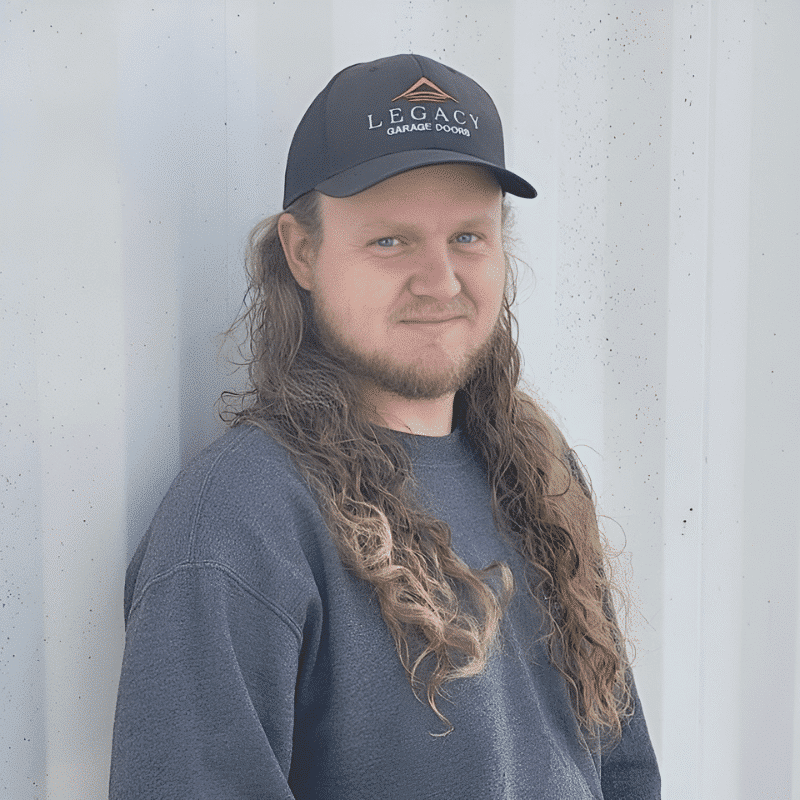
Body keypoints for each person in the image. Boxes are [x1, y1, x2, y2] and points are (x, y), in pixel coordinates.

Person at [109, 54, 660, 799]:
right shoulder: (241, 522)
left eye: (468, 236)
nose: (440, 281)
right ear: (302, 252)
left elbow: (621, 771)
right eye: (390, 241)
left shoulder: (541, 474)